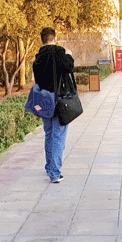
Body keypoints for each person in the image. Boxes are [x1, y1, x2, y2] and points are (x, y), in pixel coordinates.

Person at [32, 27, 74, 183]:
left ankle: (50, 166)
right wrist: (69, 56)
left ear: (42, 39)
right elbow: (68, 67)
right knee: (58, 135)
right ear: (54, 38)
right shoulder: (59, 52)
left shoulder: (38, 56)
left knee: (49, 133)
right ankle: (55, 173)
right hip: (58, 100)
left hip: (43, 99)